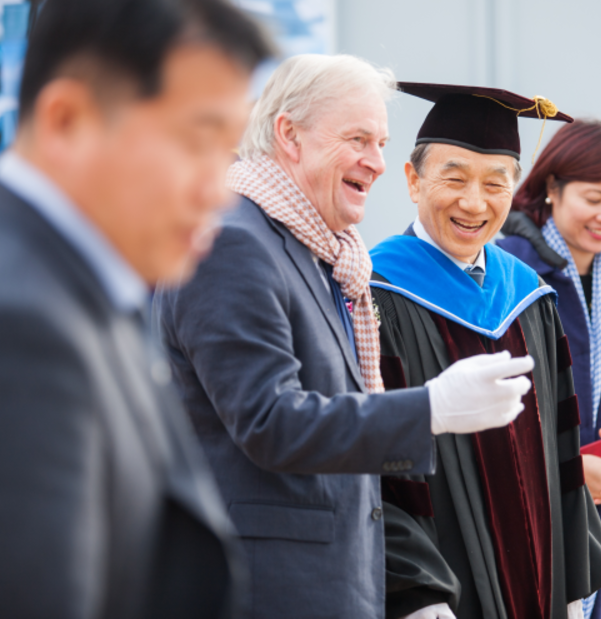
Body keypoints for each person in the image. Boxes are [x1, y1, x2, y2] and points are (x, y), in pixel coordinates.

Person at [155, 58, 533, 619]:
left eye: (381, 142)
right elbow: (270, 422)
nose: (377, 163)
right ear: (288, 135)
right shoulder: (232, 244)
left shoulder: (321, 252)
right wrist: (433, 407)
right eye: (358, 139)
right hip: (263, 590)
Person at [0, 0, 272, 616]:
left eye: (230, 154)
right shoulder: (15, 332)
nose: (217, 193)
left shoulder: (81, 290)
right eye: (197, 143)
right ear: (67, 120)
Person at [370, 84, 601, 619]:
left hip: (541, 583)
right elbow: (376, 461)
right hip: (442, 594)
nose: (474, 202)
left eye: (494, 183)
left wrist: (573, 585)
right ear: (413, 181)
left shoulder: (528, 295)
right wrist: (415, 594)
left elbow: (561, 448)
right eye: (454, 178)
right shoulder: (375, 294)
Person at [498, 118, 601, 619]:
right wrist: (572, 470)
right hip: (528, 514)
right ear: (552, 186)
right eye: (595, 198)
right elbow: (494, 412)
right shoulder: (508, 269)